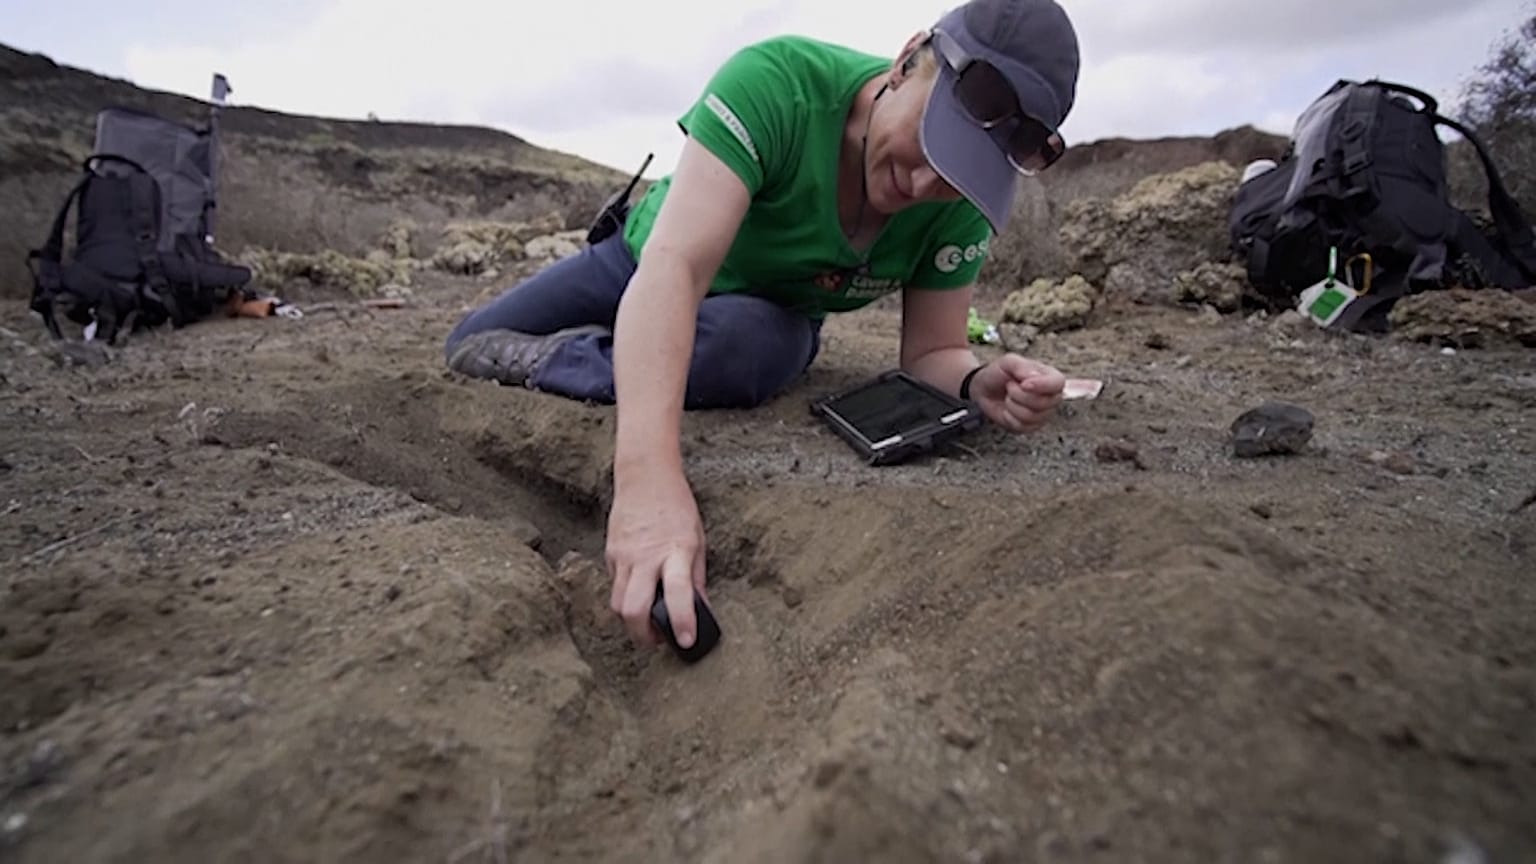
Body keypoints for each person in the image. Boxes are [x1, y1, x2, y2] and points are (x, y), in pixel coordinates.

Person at [443, 0, 1081, 652]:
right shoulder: (778, 84)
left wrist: (977, 383)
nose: (922, 185)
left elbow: (935, 351)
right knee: (468, 341)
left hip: (763, 317)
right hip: (642, 259)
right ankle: (598, 346)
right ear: (905, 61)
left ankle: (556, 360)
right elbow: (674, 269)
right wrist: (648, 483)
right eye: (930, 141)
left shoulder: (961, 207)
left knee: (744, 351)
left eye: (955, 177)